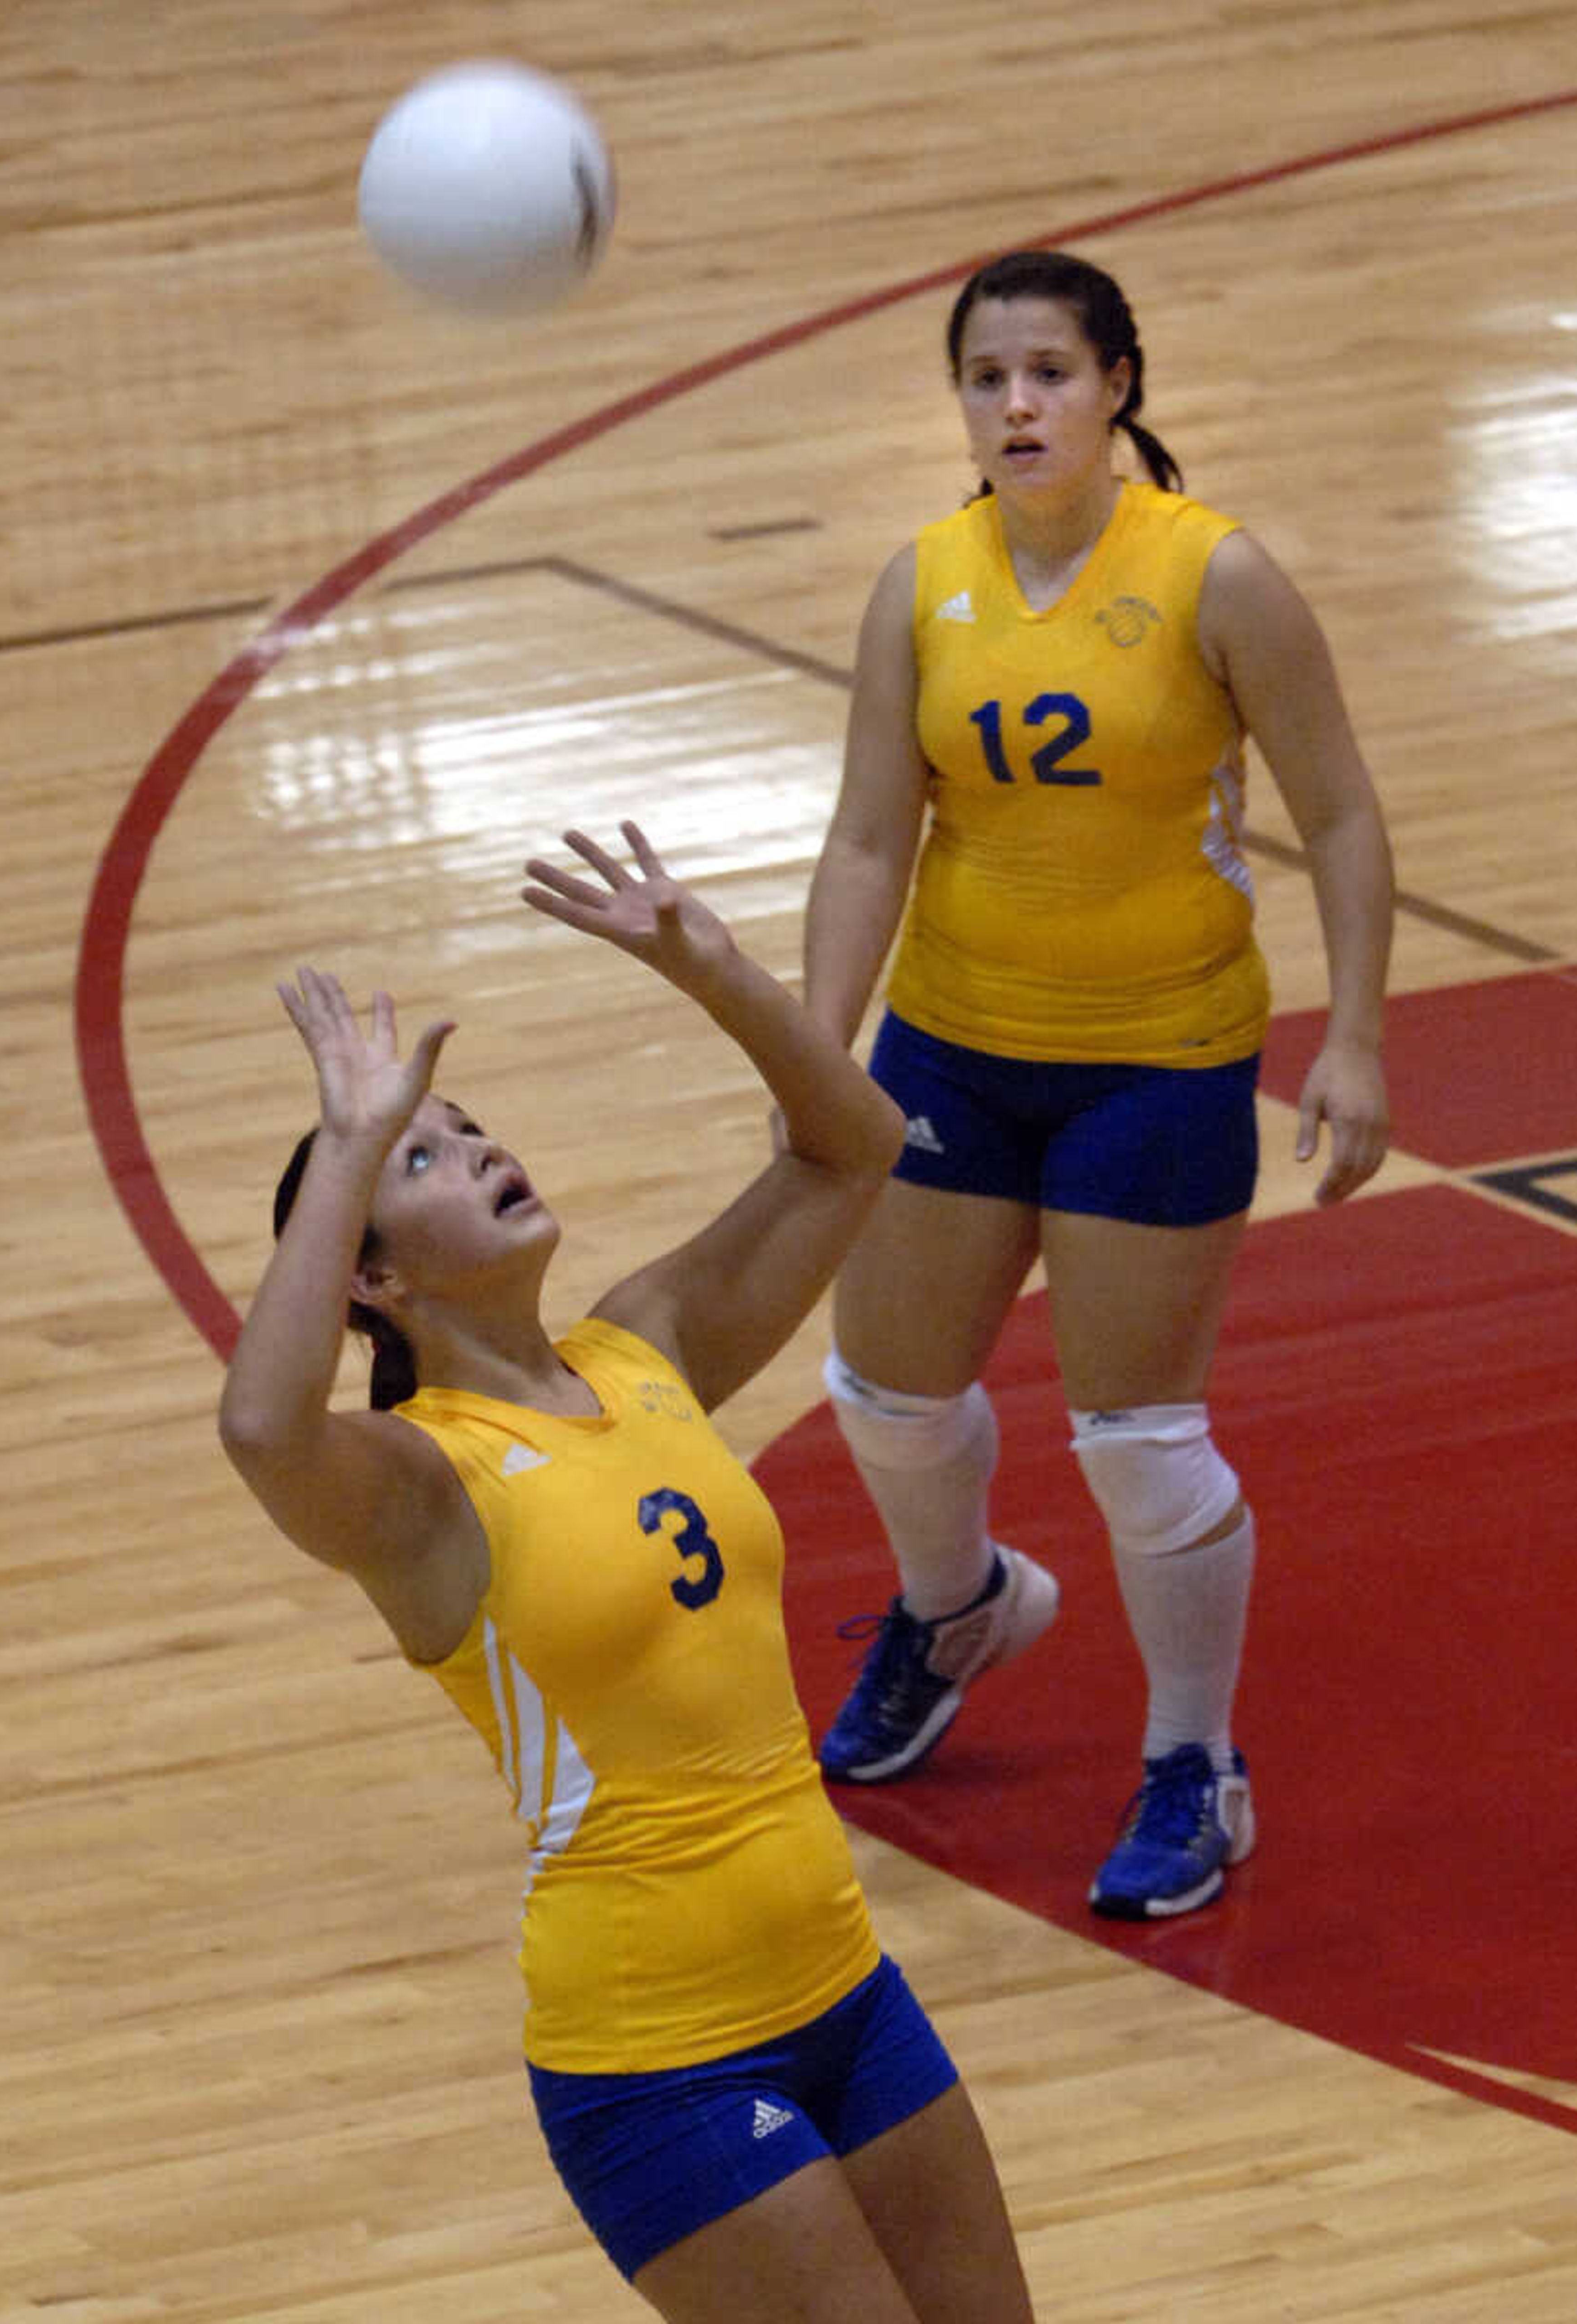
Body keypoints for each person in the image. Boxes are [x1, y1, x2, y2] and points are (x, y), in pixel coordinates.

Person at [217, 822, 1036, 2323]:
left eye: (467, 1126)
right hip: (661, 2062)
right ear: (375, 1277)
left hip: (851, 1996)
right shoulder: (418, 1487)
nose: (475, 1148)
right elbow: (263, 1426)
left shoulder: (643, 1343)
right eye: (426, 1154)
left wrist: (714, 969)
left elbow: (854, 1143)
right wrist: (342, 1142)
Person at [804, 248, 1394, 1921]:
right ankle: (960, 1601)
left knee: (1139, 1440)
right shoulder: (922, 583)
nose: (1018, 407)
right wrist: (817, 1048)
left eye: (1051, 373)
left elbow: (1341, 811)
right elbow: (868, 833)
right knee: (885, 1392)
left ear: (1119, 384)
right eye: (987, 380)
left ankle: (1196, 1766)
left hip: (1159, 1055)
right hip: (954, 1043)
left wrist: (1356, 1033)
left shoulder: (1218, 579)